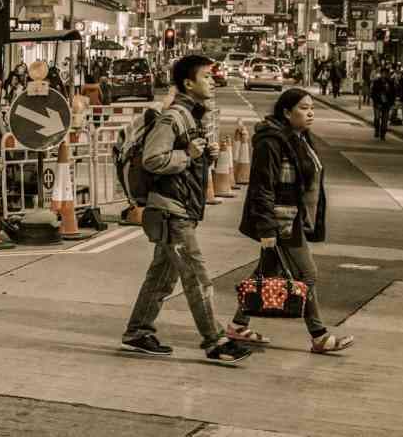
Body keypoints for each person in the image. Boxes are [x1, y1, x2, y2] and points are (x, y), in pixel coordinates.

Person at [122, 54, 253, 364]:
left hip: (180, 208)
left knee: (161, 278)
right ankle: (215, 340)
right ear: (188, 83)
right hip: (171, 210)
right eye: (206, 77)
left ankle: (138, 331)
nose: (212, 81)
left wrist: (204, 153)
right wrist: (188, 154)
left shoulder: (192, 116)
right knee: (196, 277)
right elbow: (153, 160)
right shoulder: (174, 117)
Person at [232, 89, 354, 354]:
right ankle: (319, 335)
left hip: (293, 216)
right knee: (307, 274)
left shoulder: (299, 138)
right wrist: (266, 227)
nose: (310, 113)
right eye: (303, 108)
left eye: (312, 108)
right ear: (286, 112)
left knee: (266, 271)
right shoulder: (271, 142)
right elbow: (262, 186)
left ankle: (238, 325)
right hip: (281, 219)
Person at [370, 68, 395, 140]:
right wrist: (376, 101)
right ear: (381, 74)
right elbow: (373, 93)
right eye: (383, 73)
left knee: (385, 119)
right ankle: (377, 130)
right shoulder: (376, 81)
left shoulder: (390, 83)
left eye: (385, 73)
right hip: (378, 103)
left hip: (386, 104)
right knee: (377, 118)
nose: (384, 75)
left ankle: (383, 134)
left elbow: (393, 94)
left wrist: (391, 103)